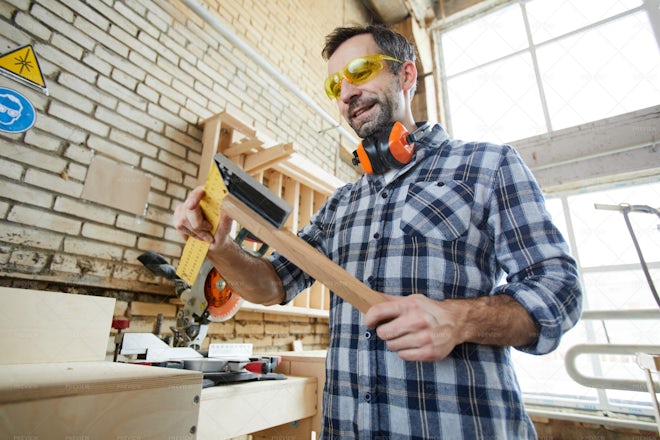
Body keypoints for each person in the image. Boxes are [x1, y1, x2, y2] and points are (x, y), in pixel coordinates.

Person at [174, 25, 582, 439]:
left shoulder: (487, 166)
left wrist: (460, 320)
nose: (346, 92)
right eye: (336, 84)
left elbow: (559, 289)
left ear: (406, 76)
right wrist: (220, 247)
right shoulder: (340, 205)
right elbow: (272, 285)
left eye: (360, 70)